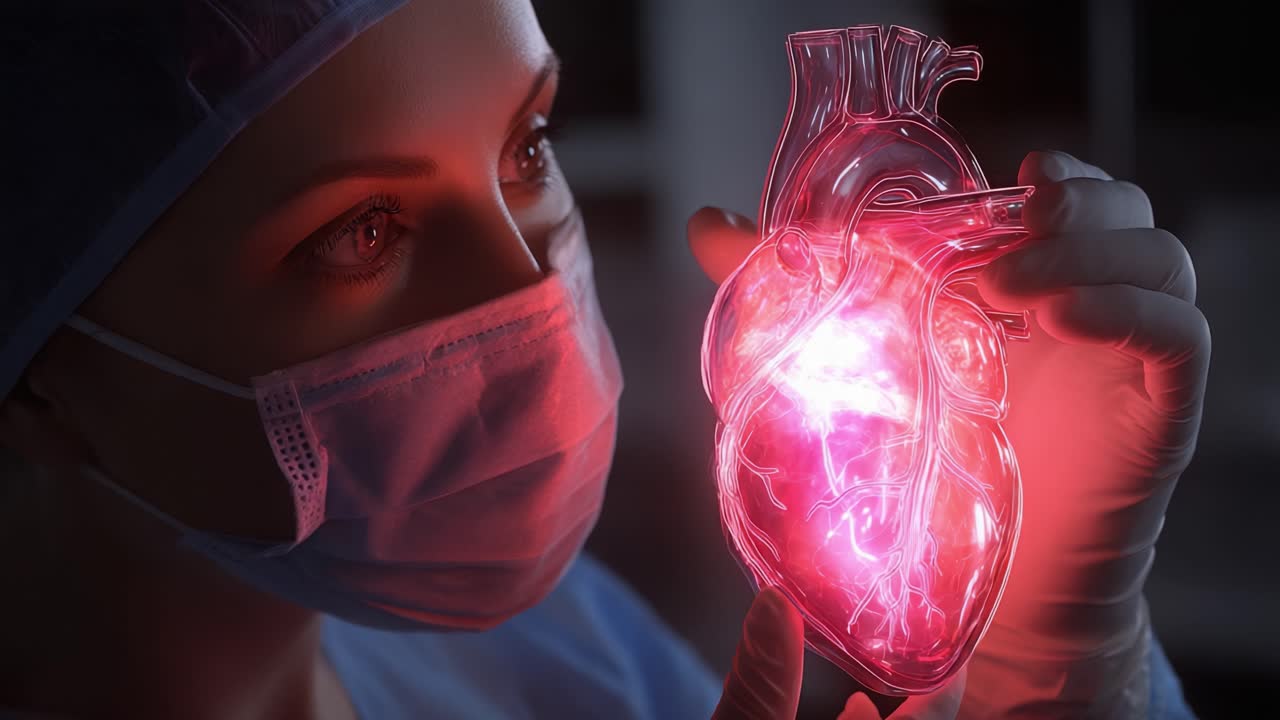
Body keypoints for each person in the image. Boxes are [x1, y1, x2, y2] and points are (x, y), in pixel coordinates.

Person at [0, 1, 1206, 718]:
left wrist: (1058, 673)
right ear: (49, 363)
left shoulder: (561, 659)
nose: (529, 290)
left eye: (525, 145)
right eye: (361, 232)